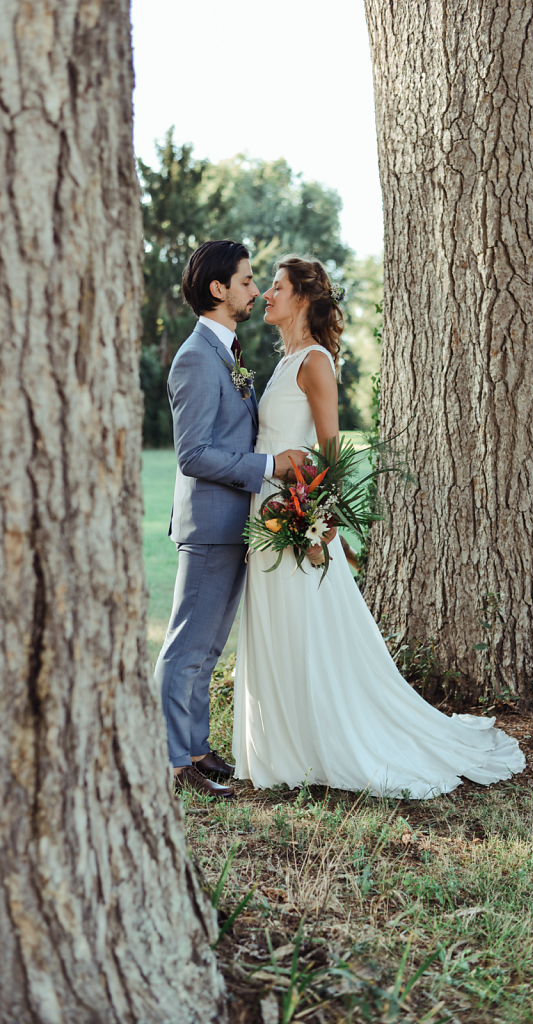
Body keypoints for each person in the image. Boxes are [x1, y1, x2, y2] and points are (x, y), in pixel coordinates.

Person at [232, 255, 525, 798]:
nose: (267, 295)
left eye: (276, 287)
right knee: (277, 625)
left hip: (293, 512)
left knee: (306, 628)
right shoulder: (282, 358)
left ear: (301, 299)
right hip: (265, 505)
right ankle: (283, 744)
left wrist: (313, 519)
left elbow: (329, 453)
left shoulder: (315, 362)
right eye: (266, 287)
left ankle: (324, 742)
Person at [155, 240, 306, 799]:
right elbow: (192, 453)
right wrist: (271, 466)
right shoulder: (196, 356)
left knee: (207, 648)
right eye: (246, 281)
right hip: (208, 525)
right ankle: (172, 762)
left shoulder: (228, 351)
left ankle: (195, 748)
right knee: (186, 647)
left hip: (232, 524)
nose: (256, 290)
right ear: (218, 290)